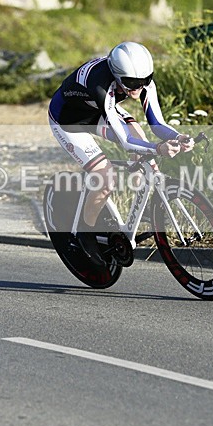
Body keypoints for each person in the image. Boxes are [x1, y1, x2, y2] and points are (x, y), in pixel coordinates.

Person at [48, 41, 194, 267]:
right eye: (131, 83)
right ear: (116, 75)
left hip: (96, 111)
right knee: (105, 176)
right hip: (68, 121)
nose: (138, 87)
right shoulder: (101, 85)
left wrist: (177, 136)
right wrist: (158, 148)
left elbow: (157, 124)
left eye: (144, 81)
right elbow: (126, 142)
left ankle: (141, 201)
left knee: (140, 135)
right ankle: (86, 233)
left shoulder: (141, 78)